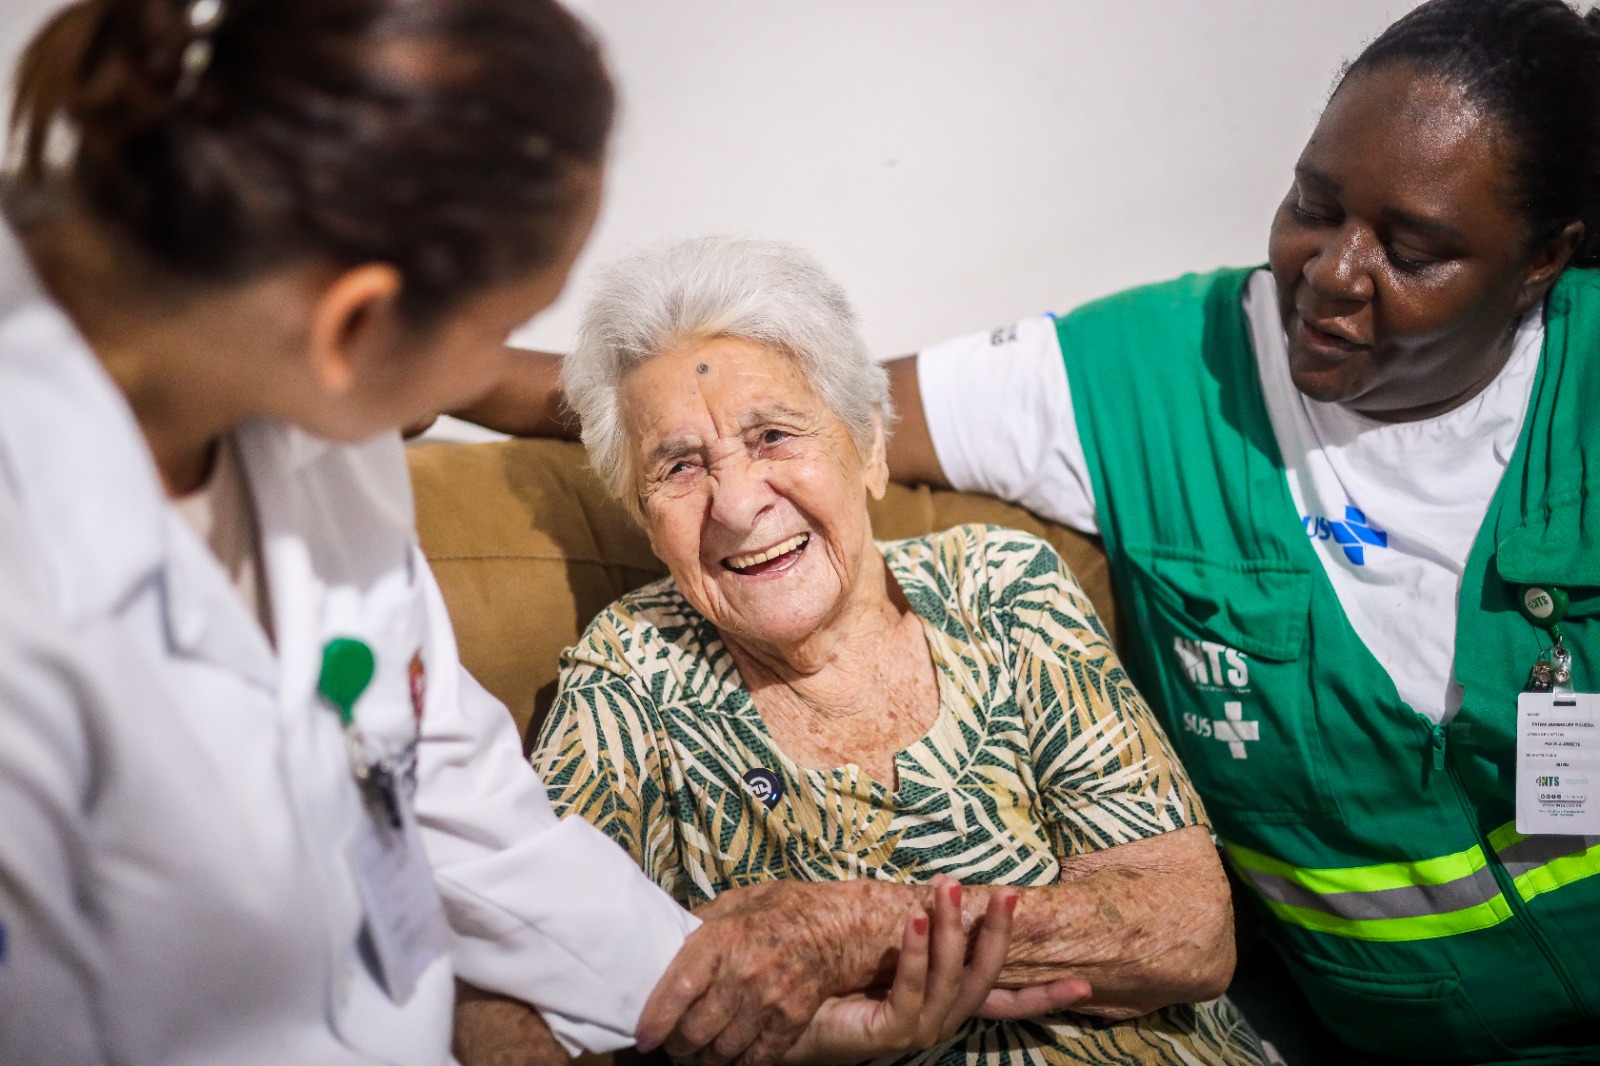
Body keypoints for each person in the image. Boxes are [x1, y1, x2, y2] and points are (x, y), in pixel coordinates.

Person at [0, 2, 1071, 1063]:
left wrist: (749, 1011)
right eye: (497, 330)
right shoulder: (32, 589)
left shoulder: (318, 436)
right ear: (353, 328)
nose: (491, 381)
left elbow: (444, 789)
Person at [875, 1, 1600, 1061]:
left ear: (1542, 261)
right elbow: (789, 408)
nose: (1334, 272)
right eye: (1314, 203)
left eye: (1413, 250)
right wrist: (543, 326)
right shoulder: (1148, 378)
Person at [528, 235, 1268, 1066]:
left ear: (871, 448)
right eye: (680, 467)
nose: (736, 504)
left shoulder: (1001, 586)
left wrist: (866, 929)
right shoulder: (631, 674)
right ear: (642, 514)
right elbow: (525, 987)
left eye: (772, 435)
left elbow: (1189, 932)